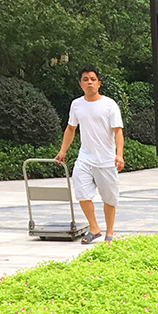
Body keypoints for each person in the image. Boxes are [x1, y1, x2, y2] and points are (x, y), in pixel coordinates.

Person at [54, 67, 124, 244]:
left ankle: (109, 232)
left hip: (106, 160)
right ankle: (94, 228)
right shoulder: (76, 104)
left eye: (93, 79)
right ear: (81, 84)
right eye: (85, 79)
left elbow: (118, 131)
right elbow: (71, 128)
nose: (89, 82)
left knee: (109, 198)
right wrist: (63, 151)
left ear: (99, 83)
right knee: (82, 193)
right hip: (85, 158)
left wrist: (119, 154)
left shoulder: (109, 105)